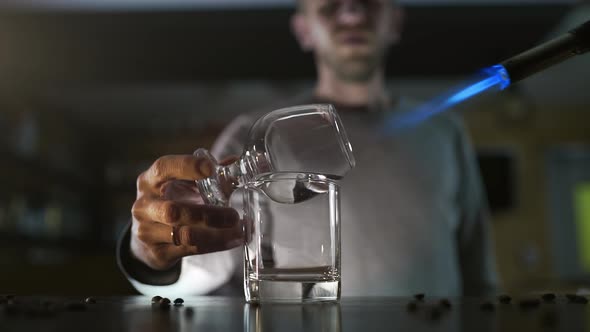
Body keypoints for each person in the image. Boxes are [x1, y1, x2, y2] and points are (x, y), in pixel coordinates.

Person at [118, 0, 498, 297]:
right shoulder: (248, 135)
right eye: (330, 4)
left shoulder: (445, 132)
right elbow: (197, 270)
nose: (351, 11)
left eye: (368, 1)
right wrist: (151, 254)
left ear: (396, 21)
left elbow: (480, 275)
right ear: (303, 31)